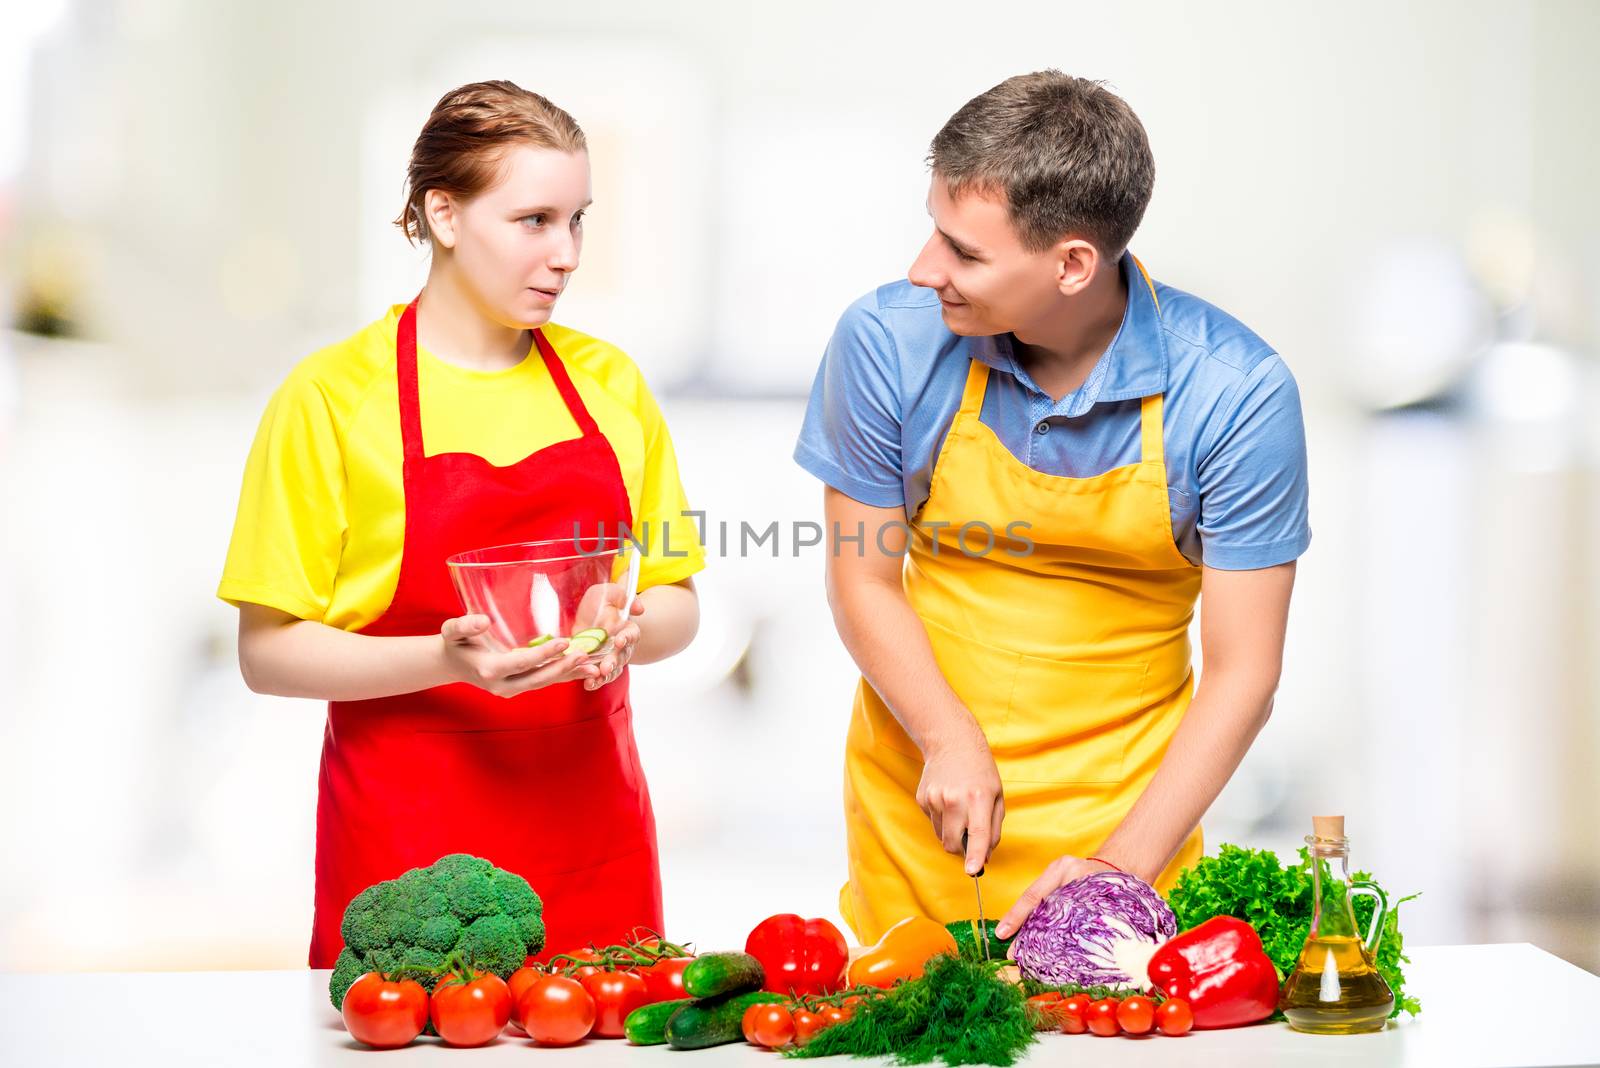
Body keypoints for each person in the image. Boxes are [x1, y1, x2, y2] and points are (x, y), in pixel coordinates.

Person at [794, 71, 1309, 943]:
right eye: (934, 229)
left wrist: (1117, 874)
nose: (924, 270)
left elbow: (1242, 674)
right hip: (922, 811)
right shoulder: (887, 342)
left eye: (965, 252)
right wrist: (947, 737)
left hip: (1130, 823)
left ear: (1072, 264)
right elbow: (863, 581)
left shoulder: (1235, 394)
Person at [218, 80, 704, 966]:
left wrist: (631, 625)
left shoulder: (613, 386)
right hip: (408, 857)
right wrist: (447, 662)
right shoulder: (330, 398)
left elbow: (677, 596)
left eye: (578, 220)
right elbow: (267, 651)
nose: (565, 254)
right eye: (533, 221)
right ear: (444, 214)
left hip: (593, 835)